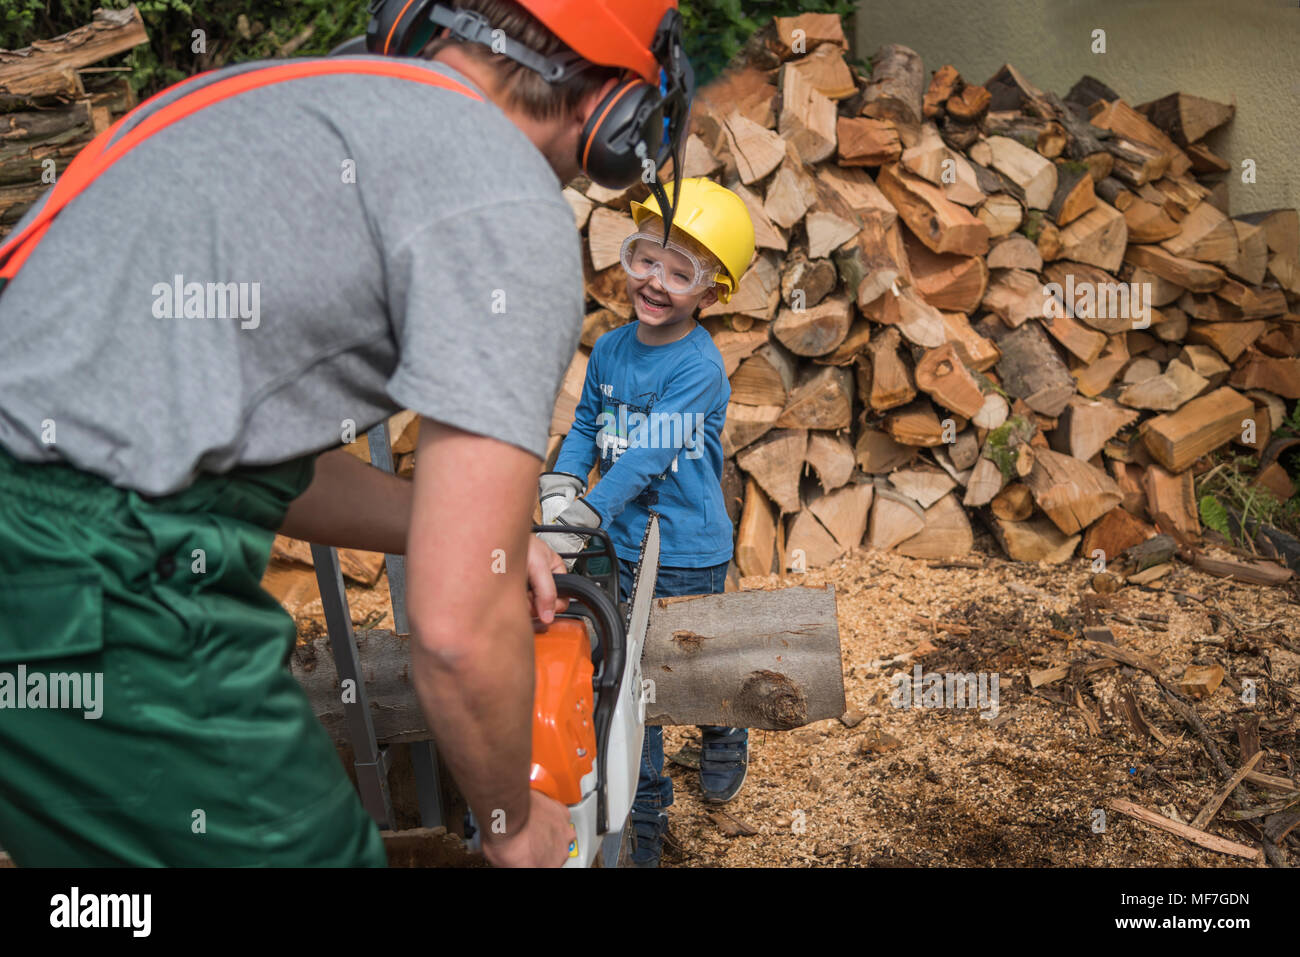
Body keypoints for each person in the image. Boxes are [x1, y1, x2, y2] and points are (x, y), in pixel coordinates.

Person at [0, 0, 693, 867]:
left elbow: (237, 462)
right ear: (615, 113)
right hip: (91, 588)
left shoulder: (284, 102)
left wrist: (472, 532)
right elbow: (452, 631)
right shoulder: (503, 197)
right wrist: (515, 821)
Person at [539, 177, 756, 866]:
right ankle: (649, 804)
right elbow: (584, 426)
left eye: (679, 270)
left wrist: (580, 517)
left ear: (712, 290)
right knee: (633, 674)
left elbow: (644, 460)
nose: (655, 281)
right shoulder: (608, 348)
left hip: (687, 545)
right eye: (645, 258)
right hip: (619, 546)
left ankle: (725, 728)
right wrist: (561, 485)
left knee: (695, 658)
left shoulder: (701, 369)